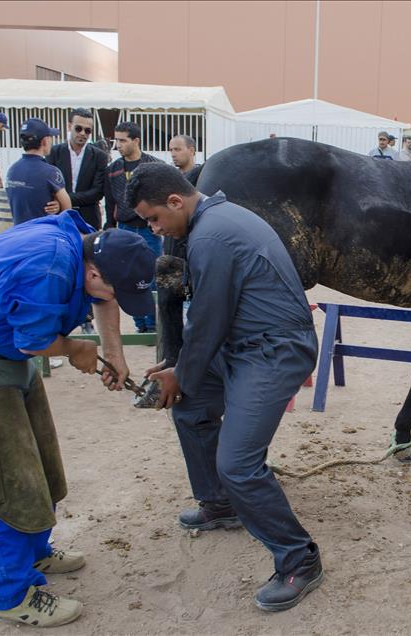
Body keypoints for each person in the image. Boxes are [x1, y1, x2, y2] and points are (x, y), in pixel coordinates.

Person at [0, 212, 157, 628]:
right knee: (4, 477)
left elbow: (104, 298)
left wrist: (113, 350)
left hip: (3, 354)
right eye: (112, 286)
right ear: (94, 269)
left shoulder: (86, 246)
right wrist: (75, 349)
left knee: (38, 461)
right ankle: (11, 593)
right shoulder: (48, 266)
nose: (112, 295)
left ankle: (34, 549)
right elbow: (35, 341)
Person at [127, 163, 323, 612]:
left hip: (273, 351)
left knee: (238, 463)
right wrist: (177, 366)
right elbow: (183, 304)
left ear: (176, 201)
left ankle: (299, 559)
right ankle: (221, 505)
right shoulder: (202, 224)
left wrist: (181, 372)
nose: (154, 228)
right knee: (189, 406)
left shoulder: (212, 236)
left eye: (154, 218)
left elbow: (210, 318)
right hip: (242, 344)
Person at [105, 121, 162, 333]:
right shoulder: (112, 170)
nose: (118, 145)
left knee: (151, 276)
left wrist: (157, 224)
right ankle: (141, 326)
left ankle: (154, 325)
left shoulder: (154, 166)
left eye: (122, 140)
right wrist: (110, 228)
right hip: (124, 228)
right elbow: (110, 202)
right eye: (116, 140)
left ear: (136, 140)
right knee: (128, 277)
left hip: (149, 229)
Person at [46, 108, 108, 231]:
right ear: (69, 126)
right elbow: (49, 186)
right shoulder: (54, 152)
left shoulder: (99, 156)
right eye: (78, 128)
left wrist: (64, 200)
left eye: (88, 130)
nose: (83, 133)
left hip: (89, 219)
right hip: (60, 217)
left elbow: (97, 192)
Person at [6, 118, 72, 226]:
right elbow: (67, 209)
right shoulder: (51, 172)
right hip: (42, 236)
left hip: (19, 234)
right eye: (51, 137)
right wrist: (59, 206)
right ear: (45, 141)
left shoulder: (12, 170)